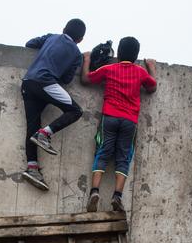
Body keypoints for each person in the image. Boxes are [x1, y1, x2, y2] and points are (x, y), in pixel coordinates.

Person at [80, 36, 157, 212]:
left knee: (103, 152)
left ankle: (94, 192)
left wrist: (86, 59)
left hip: (110, 117)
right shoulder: (140, 72)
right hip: (130, 121)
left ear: (119, 52)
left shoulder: (109, 68)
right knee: (123, 157)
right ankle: (117, 196)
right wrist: (151, 68)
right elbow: (152, 87)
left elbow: (85, 79)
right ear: (136, 54)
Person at [20, 18, 86, 191]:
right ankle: (45, 134)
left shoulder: (51, 37)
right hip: (45, 83)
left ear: (64, 29)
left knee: (31, 126)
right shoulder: (76, 53)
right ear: (81, 39)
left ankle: (32, 168)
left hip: (27, 82)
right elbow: (66, 79)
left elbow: (29, 43)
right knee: (75, 111)